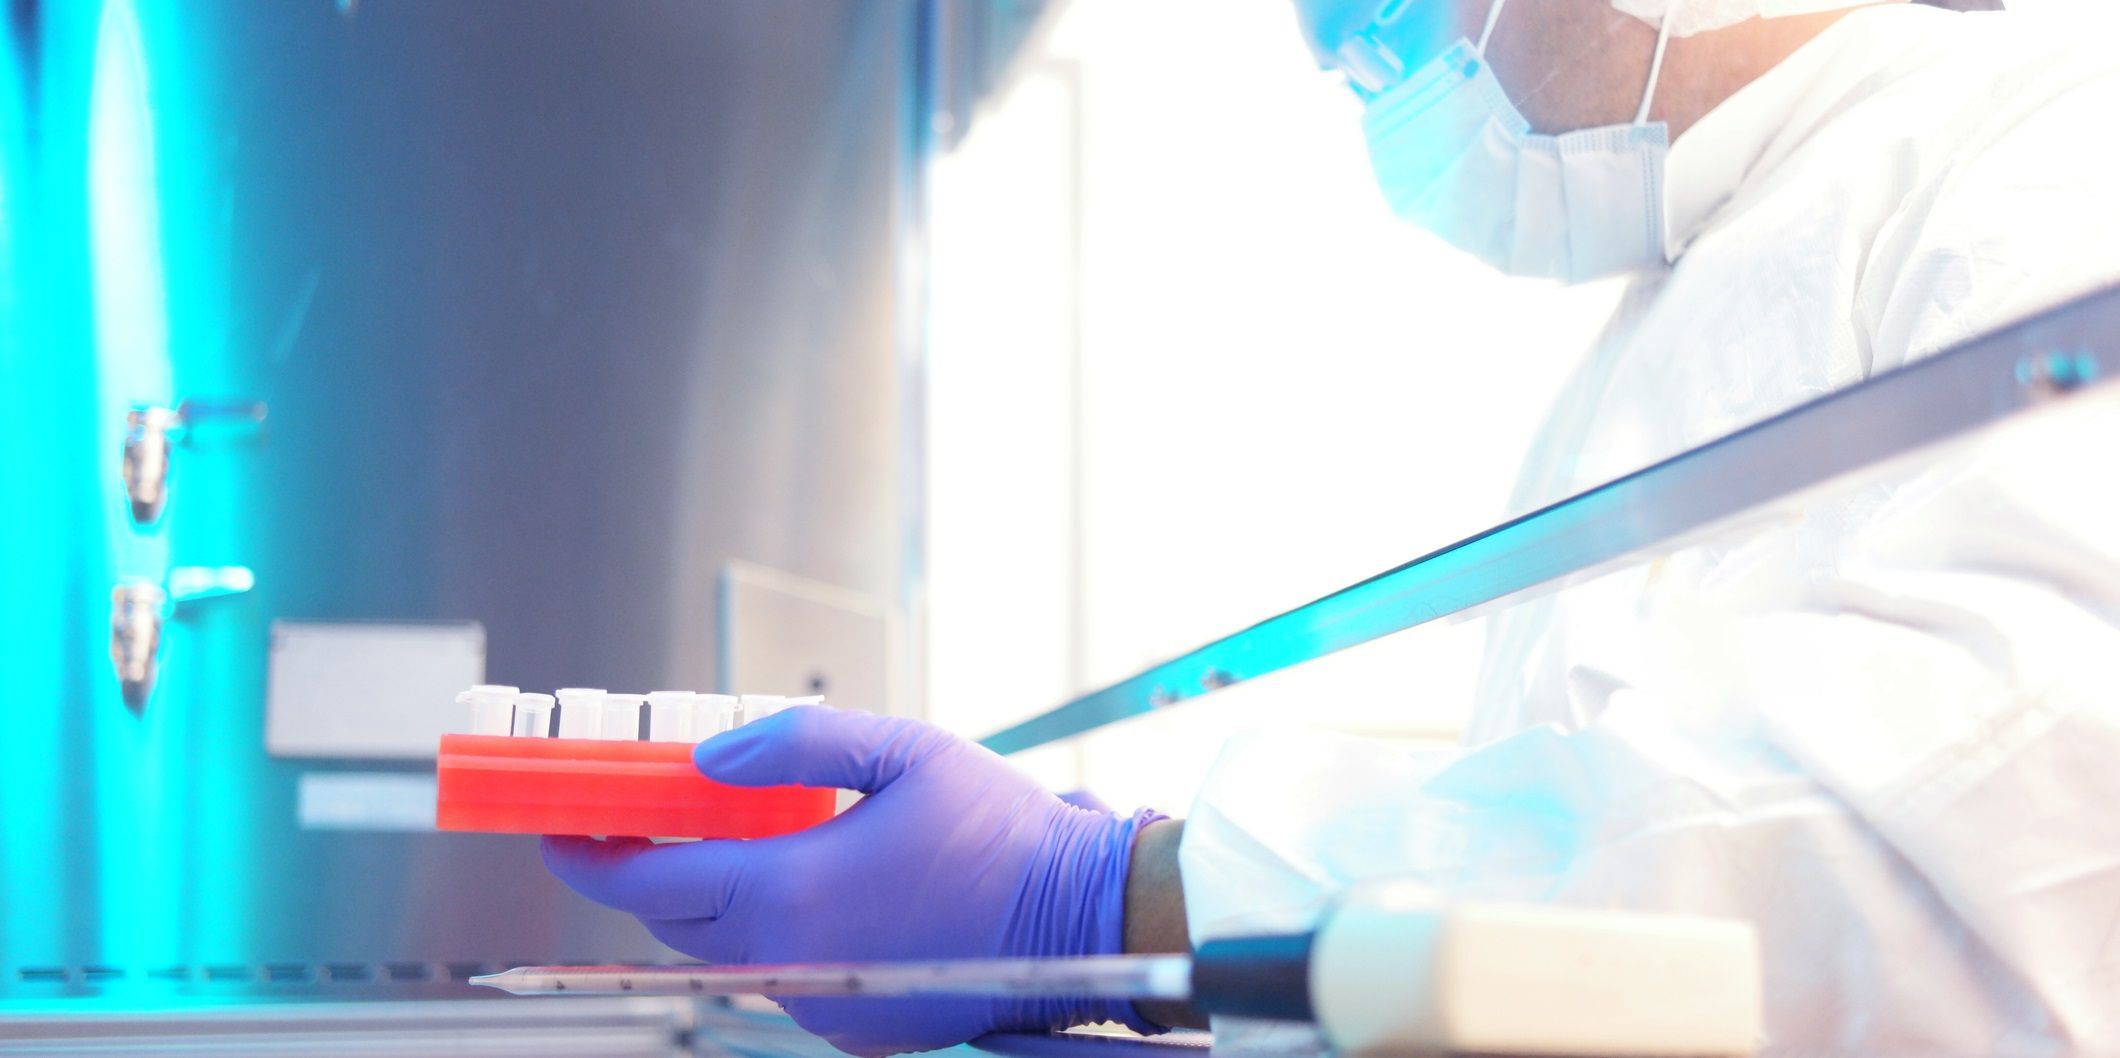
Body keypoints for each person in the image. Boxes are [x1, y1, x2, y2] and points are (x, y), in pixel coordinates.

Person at [543, 0, 2120, 1054]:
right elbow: (1569, 878)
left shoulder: (2053, 151)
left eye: (1382, 22)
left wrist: (1116, 899)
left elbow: (1951, 857)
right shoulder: (1655, 326)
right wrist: (1152, 911)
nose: (1343, 62)